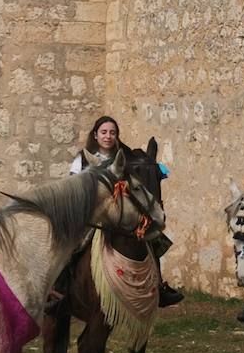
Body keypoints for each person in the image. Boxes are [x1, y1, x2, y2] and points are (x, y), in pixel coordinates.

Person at [67, 115, 183, 308]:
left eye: (112, 132)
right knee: (73, 244)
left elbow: (139, 180)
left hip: (121, 214)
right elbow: (74, 186)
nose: (108, 136)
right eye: (104, 132)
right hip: (94, 214)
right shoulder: (83, 159)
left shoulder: (126, 157)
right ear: (95, 135)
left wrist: (154, 169)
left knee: (152, 237)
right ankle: (61, 288)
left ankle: (158, 286)